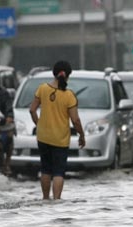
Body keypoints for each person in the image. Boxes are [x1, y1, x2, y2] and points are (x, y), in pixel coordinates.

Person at [29, 60, 85, 200]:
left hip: (43, 137)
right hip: (60, 139)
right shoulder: (69, 96)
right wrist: (81, 135)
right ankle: (56, 201)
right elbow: (75, 120)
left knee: (45, 169)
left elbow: (32, 110)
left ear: (54, 73)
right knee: (58, 172)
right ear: (67, 76)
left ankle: (45, 199)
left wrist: (39, 124)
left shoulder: (42, 89)